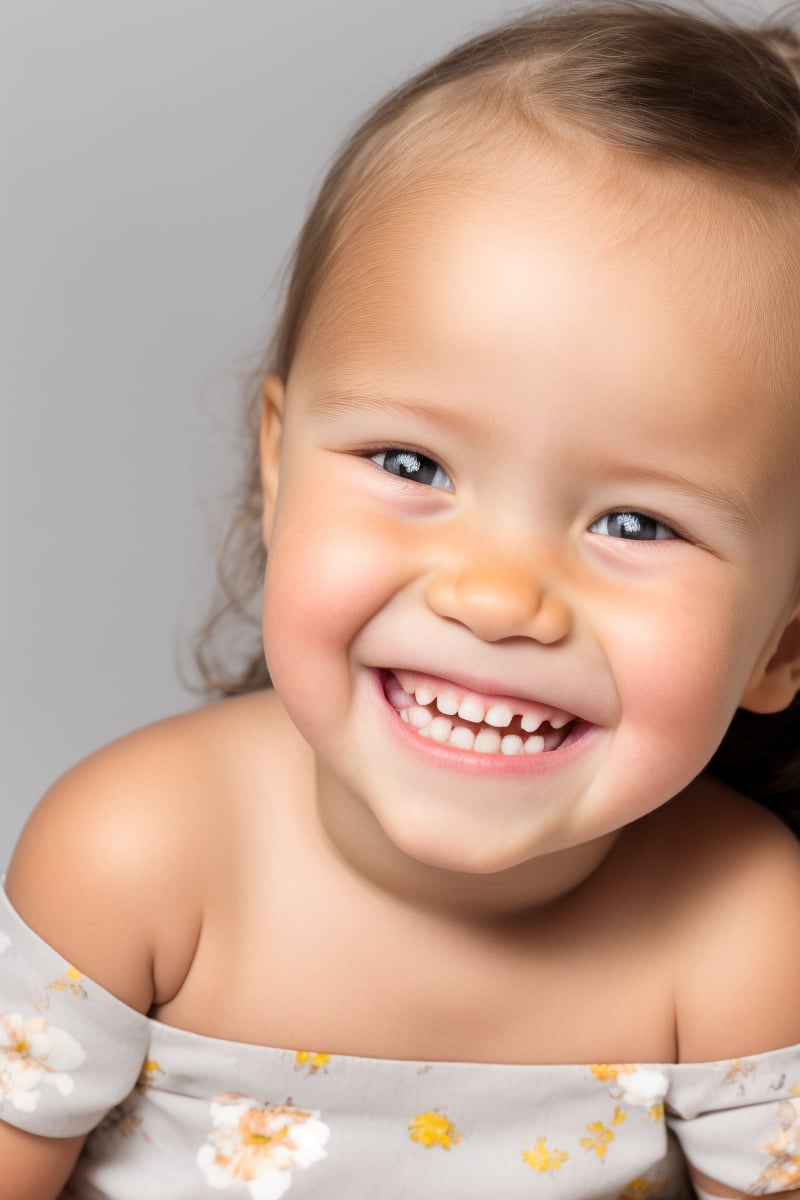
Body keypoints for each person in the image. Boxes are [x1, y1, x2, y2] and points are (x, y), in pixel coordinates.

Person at [3, 1, 800, 1195]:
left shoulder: (740, 932)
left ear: (781, 646)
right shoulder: (137, 856)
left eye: (634, 523)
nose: (495, 598)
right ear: (275, 468)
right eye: (411, 465)